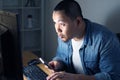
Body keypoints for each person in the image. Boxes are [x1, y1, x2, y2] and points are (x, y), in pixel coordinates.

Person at [46, 0, 120, 80]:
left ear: (78, 21)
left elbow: (112, 77)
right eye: (55, 23)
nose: (57, 30)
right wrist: (58, 63)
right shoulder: (63, 35)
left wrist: (76, 78)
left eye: (62, 24)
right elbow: (61, 56)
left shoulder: (105, 39)